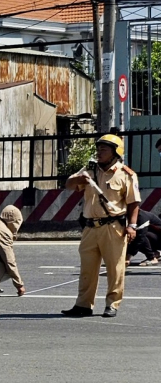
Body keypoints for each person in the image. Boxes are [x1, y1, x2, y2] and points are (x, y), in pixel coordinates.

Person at [62, 134, 140, 318]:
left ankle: (112, 304)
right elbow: (69, 184)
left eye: (104, 149)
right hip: (90, 227)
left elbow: (133, 202)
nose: (99, 152)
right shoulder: (89, 169)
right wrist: (80, 179)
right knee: (87, 268)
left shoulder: (126, 174)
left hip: (113, 227)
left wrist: (133, 226)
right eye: (98, 149)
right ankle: (83, 305)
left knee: (115, 268)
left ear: (115, 152)